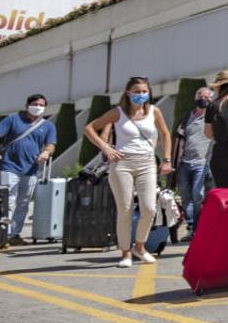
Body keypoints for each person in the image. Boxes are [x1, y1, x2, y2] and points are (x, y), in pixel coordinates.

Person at [82, 77, 173, 268]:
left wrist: (166, 159)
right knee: (125, 209)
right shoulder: (118, 113)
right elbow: (89, 128)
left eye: (144, 92)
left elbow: (165, 134)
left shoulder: (153, 111)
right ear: (128, 93)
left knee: (149, 208)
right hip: (122, 163)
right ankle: (125, 253)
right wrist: (106, 148)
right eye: (137, 91)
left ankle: (139, 246)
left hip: (147, 162)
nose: (141, 95)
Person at [0, 94, 57, 247]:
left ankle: (14, 234)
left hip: (31, 169)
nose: (38, 107)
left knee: (23, 202)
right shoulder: (13, 119)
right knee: (8, 201)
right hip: (9, 166)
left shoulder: (48, 125)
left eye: (41, 105)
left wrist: (46, 152)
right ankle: (2, 234)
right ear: (27, 105)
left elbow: (51, 144)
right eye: (35, 104)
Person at [174, 86, 214, 240]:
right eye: (200, 96)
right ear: (195, 98)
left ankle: (199, 227)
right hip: (184, 163)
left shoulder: (212, 119)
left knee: (198, 194)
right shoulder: (186, 118)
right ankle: (191, 227)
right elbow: (177, 138)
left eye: (206, 97)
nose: (202, 99)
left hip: (203, 163)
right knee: (185, 196)